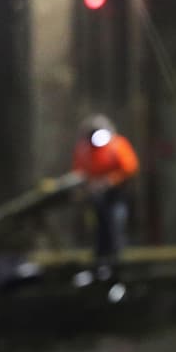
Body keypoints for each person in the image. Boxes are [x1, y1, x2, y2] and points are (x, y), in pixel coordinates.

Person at [71, 115, 140, 279]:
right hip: (95, 197)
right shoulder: (84, 149)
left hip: (116, 195)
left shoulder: (117, 144)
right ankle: (100, 267)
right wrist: (88, 186)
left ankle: (118, 269)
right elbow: (79, 172)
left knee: (115, 228)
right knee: (99, 231)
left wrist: (110, 181)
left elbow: (130, 167)